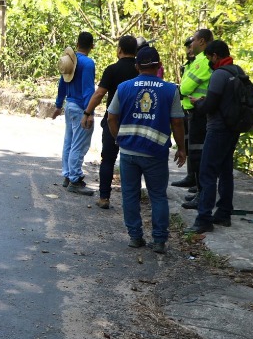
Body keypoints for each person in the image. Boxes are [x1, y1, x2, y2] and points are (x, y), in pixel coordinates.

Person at [107, 46, 186, 253]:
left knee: (130, 195)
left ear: (136, 66)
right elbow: (177, 123)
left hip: (129, 152)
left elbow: (111, 117)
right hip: (156, 153)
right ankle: (159, 241)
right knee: (158, 196)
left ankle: (135, 237)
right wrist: (182, 149)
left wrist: (118, 139)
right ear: (159, 66)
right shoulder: (171, 90)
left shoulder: (123, 88)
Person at [187, 40, 244, 234]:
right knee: (226, 170)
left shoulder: (219, 74)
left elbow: (210, 105)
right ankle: (223, 213)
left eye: (209, 58)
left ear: (215, 56)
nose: (209, 62)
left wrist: (198, 103)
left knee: (207, 173)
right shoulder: (237, 71)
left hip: (218, 128)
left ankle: (204, 218)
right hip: (233, 128)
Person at [82, 34, 140, 209]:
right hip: (136, 121)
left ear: (119, 50)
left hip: (113, 120)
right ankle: (133, 200)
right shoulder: (140, 70)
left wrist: (87, 111)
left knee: (108, 158)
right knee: (135, 161)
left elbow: (99, 94)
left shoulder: (112, 69)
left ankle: (104, 197)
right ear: (136, 51)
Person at [49, 32, 97, 194]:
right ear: (92, 45)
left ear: (77, 44)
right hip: (81, 108)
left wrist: (58, 105)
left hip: (69, 105)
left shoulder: (70, 60)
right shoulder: (88, 63)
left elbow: (62, 84)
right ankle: (75, 180)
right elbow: (88, 90)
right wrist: (89, 112)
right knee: (79, 144)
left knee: (69, 142)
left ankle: (68, 175)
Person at [176, 28, 214, 200]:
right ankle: (198, 187)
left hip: (200, 112)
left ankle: (202, 193)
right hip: (193, 110)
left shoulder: (202, 61)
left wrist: (182, 90)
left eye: (193, 42)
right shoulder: (196, 60)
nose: (190, 46)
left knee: (199, 152)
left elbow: (184, 87)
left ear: (202, 41)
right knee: (195, 149)